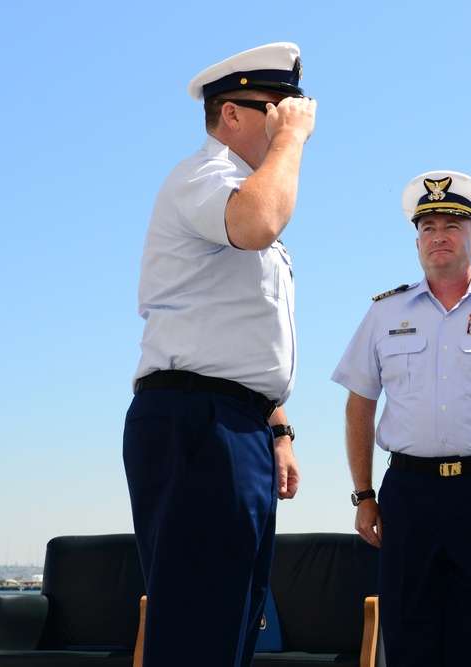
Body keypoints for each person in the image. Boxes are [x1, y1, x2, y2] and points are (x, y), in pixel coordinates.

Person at [122, 42, 316, 667]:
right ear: (231, 114)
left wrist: (278, 427)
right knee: (197, 633)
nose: (292, 119)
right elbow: (257, 223)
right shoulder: (205, 178)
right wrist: (292, 143)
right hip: (196, 423)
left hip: (239, 425)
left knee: (234, 624)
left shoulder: (244, 189)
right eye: (278, 108)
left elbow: (248, 339)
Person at [331, 171, 471, 667]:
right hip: (407, 496)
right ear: (417, 241)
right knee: (408, 634)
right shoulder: (383, 314)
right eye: (429, 225)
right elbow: (359, 405)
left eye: (453, 225)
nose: (439, 235)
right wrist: (364, 495)